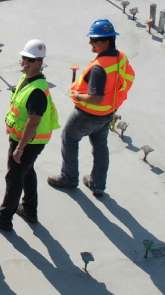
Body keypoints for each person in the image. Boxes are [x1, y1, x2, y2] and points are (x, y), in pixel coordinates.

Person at [48, 19, 136, 197]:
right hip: (108, 112)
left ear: (106, 42)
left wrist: (77, 96)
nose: (90, 43)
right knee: (100, 146)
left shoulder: (98, 68)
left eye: (94, 40)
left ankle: (69, 178)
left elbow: (95, 98)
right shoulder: (120, 57)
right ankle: (97, 184)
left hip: (88, 114)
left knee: (69, 139)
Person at [0, 40, 61, 231]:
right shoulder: (28, 80)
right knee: (27, 172)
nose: (25, 62)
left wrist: (20, 147)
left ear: (40, 62)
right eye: (24, 58)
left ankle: (4, 217)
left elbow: (33, 121)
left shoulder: (36, 90)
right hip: (26, 140)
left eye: (31, 60)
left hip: (28, 142)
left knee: (14, 177)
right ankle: (29, 209)